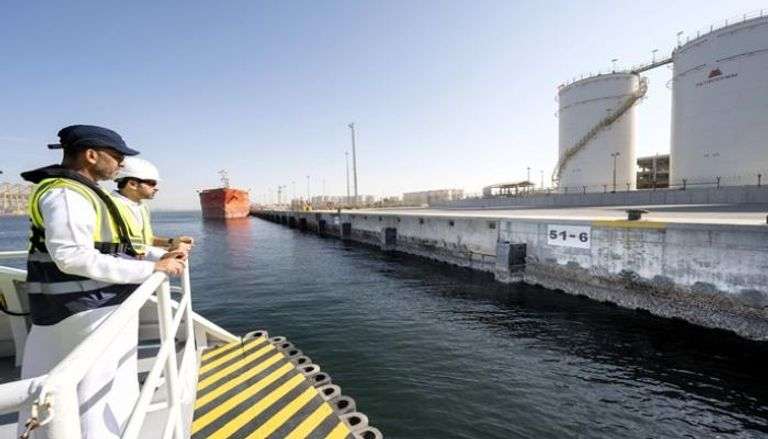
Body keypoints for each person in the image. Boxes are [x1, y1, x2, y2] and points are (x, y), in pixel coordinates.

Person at [18, 125, 186, 439]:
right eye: (117, 156)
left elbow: (114, 247)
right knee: (95, 392)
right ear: (91, 155)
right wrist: (152, 269)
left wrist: (157, 255)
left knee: (67, 385)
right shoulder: (67, 193)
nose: (121, 163)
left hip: (75, 304)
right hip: (82, 306)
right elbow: (72, 257)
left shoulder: (80, 192)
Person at [112, 157, 194, 259]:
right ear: (132, 184)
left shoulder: (142, 207)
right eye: (152, 183)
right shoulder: (110, 206)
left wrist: (172, 242)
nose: (156, 188)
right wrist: (164, 255)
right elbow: (111, 247)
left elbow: (146, 240)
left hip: (137, 263)